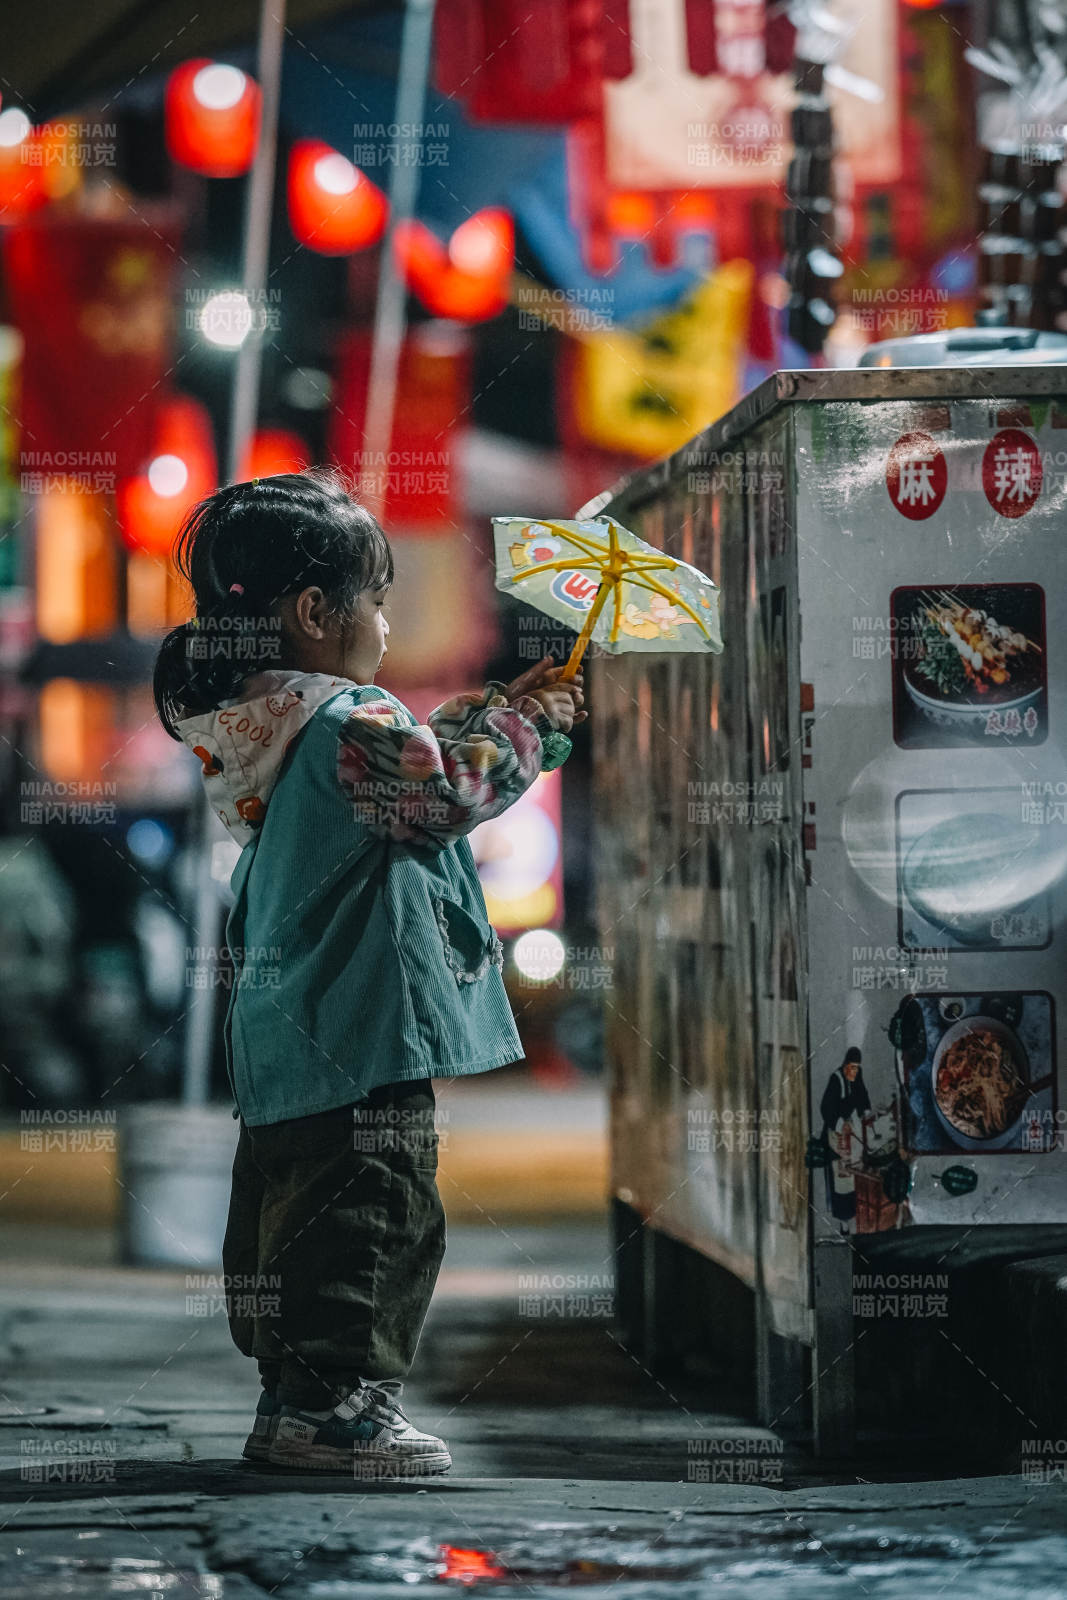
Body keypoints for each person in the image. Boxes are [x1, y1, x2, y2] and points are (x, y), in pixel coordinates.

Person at [153, 470, 585, 1477]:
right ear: (314, 612)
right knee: (373, 1212)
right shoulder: (345, 718)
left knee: (296, 1218)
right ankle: (335, 1417)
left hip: (290, 1035)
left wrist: (498, 709)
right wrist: (527, 729)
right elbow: (444, 798)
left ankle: (293, 1404)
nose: (385, 625)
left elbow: (411, 774)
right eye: (377, 599)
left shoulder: (265, 723)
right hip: (362, 1029)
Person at [818, 1047, 871, 1226]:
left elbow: (862, 1093)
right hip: (835, 1130)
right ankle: (843, 1222)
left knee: (853, 1170)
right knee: (840, 1176)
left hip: (849, 1127)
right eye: (851, 1067)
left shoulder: (857, 1074)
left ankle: (854, 1212)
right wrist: (840, 1124)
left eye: (856, 1067)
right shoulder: (836, 1079)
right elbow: (826, 1108)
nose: (854, 1071)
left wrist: (866, 1113)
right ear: (845, 1065)